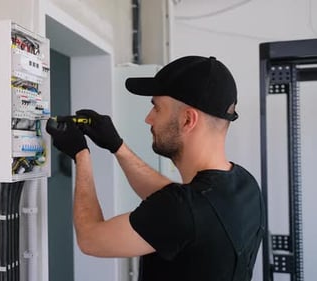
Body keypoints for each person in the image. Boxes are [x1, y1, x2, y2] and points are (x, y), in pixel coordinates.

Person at [46, 56, 265, 281]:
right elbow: (176, 199)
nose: (148, 119)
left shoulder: (182, 210)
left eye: (157, 109)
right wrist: (117, 146)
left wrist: (81, 155)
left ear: (188, 120)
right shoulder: (245, 186)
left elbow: (90, 238)